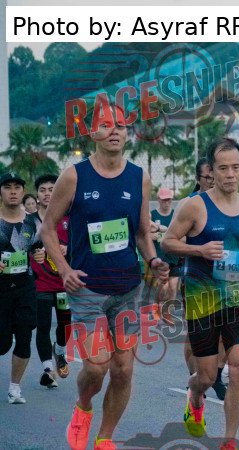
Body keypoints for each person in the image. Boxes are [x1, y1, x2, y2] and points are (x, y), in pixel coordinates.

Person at [41, 102, 170, 450]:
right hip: (87, 288)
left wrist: (153, 260)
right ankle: (83, 406)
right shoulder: (75, 176)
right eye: (106, 125)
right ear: (91, 132)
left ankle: (105, 437)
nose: (114, 131)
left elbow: (141, 232)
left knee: (124, 369)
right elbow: (47, 229)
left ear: (128, 134)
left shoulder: (139, 177)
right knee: (97, 367)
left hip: (127, 287)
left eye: (121, 126)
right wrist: (64, 269)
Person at [162, 138, 239, 450]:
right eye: (223, 168)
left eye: (236, 167)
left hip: (238, 298)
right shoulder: (194, 205)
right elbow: (168, 242)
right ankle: (195, 396)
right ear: (211, 170)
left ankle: (229, 440)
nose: (230, 174)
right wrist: (200, 250)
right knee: (207, 376)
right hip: (202, 301)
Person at [176, 158, 228, 401]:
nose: (213, 181)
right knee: (195, 332)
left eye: (215, 176)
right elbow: (173, 241)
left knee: (225, 331)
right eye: (208, 177)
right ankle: (194, 377)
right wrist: (200, 249)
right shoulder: (189, 204)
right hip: (196, 278)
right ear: (198, 179)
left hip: (226, 276)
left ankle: (216, 376)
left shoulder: (229, 202)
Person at [0, 172, 46, 404]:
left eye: (17, 187)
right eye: (7, 187)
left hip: (25, 287)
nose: (13, 191)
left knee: (25, 336)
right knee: (2, 344)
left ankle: (14, 388)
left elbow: (38, 246)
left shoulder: (32, 221)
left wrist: (40, 254)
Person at [30, 174, 71, 389]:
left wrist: (68, 248)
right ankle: (47, 369)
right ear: (37, 195)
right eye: (43, 190)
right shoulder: (29, 221)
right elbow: (20, 246)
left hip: (65, 283)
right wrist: (33, 252)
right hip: (40, 284)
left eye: (51, 189)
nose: (47, 193)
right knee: (44, 325)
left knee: (65, 324)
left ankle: (60, 351)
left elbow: (83, 243)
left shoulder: (69, 218)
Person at [151, 187, 180, 315]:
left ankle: (168, 313)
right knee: (163, 288)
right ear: (158, 200)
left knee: (173, 287)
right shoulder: (152, 215)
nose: (166, 203)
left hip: (174, 257)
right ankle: (157, 307)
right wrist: (150, 236)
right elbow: (142, 234)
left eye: (168, 200)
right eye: (164, 200)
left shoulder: (176, 215)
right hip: (159, 258)